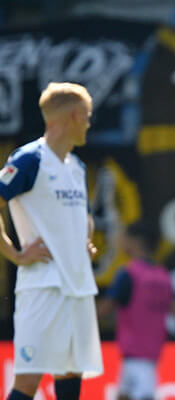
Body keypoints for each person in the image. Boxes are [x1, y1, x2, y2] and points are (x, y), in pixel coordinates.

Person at [0, 82, 102, 400]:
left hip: (78, 287)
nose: (87, 123)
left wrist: (83, 238)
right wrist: (15, 254)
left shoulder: (77, 167)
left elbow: (83, 215)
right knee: (28, 381)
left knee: (71, 375)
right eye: (86, 116)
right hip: (42, 287)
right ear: (73, 115)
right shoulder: (30, 159)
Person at [97, 221, 175, 400]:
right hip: (148, 358)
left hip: (135, 357)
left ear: (135, 241)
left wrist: (77, 328)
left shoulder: (129, 274)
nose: (121, 241)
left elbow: (105, 309)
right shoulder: (163, 276)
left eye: (124, 237)